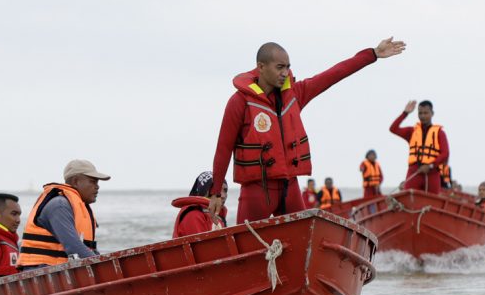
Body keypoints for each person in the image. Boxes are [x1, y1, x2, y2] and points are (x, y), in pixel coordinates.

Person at [210, 37, 406, 223]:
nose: (285, 73)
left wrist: (372, 54)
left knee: (303, 244)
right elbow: (224, 148)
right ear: (261, 67)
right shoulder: (240, 102)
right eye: (280, 67)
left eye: (287, 67)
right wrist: (216, 192)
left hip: (290, 187)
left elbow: (333, 74)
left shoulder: (296, 94)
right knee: (246, 248)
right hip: (256, 191)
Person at [18, 159, 109, 270]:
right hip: (40, 272)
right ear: (76, 181)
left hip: (56, 270)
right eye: (92, 181)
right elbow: (74, 247)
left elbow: (87, 250)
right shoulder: (59, 205)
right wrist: (105, 267)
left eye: (97, 182)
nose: (97, 186)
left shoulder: (76, 206)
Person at [390, 100, 449, 194]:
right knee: (408, 197)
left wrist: (430, 165)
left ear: (432, 113)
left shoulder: (440, 133)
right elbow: (393, 129)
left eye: (426, 113)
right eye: (420, 113)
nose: (423, 116)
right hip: (414, 172)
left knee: (433, 202)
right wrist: (405, 113)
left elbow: (445, 153)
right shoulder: (412, 131)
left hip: (432, 173)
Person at [173, 171, 228, 238]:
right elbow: (200, 247)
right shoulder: (193, 215)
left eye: (225, 190)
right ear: (204, 191)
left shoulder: (218, 217)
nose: (223, 195)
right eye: (217, 190)